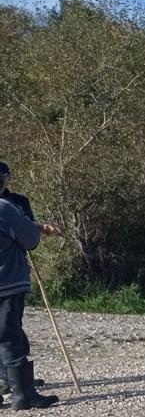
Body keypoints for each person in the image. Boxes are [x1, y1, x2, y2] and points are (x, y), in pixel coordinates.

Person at [0, 161, 60, 396]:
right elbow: (29, 238)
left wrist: (39, 228)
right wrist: (34, 232)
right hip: (8, 278)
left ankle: (15, 382)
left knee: (8, 331)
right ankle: (20, 390)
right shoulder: (6, 207)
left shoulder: (19, 201)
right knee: (9, 333)